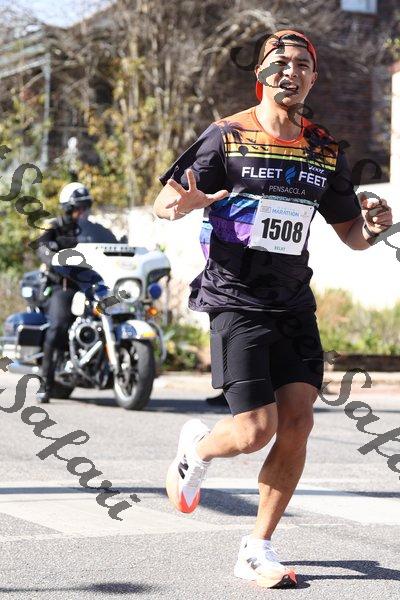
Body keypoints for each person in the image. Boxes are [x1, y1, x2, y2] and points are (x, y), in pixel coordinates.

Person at [153, 30, 393, 589]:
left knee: (299, 422)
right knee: (254, 430)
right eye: (280, 62)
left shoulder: (323, 149)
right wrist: (183, 205)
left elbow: (351, 235)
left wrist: (374, 228)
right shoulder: (227, 136)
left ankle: (257, 547)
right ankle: (197, 451)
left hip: (292, 302)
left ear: (313, 78)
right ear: (260, 73)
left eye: (303, 64)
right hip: (235, 298)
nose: (292, 71)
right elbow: (164, 199)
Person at [35, 182, 116, 403]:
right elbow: (42, 246)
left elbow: (115, 245)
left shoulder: (95, 231)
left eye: (86, 207)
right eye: (78, 208)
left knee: (119, 310)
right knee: (58, 325)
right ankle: (45, 383)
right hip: (64, 286)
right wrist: (50, 253)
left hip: (92, 286)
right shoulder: (54, 227)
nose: (83, 212)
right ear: (67, 209)